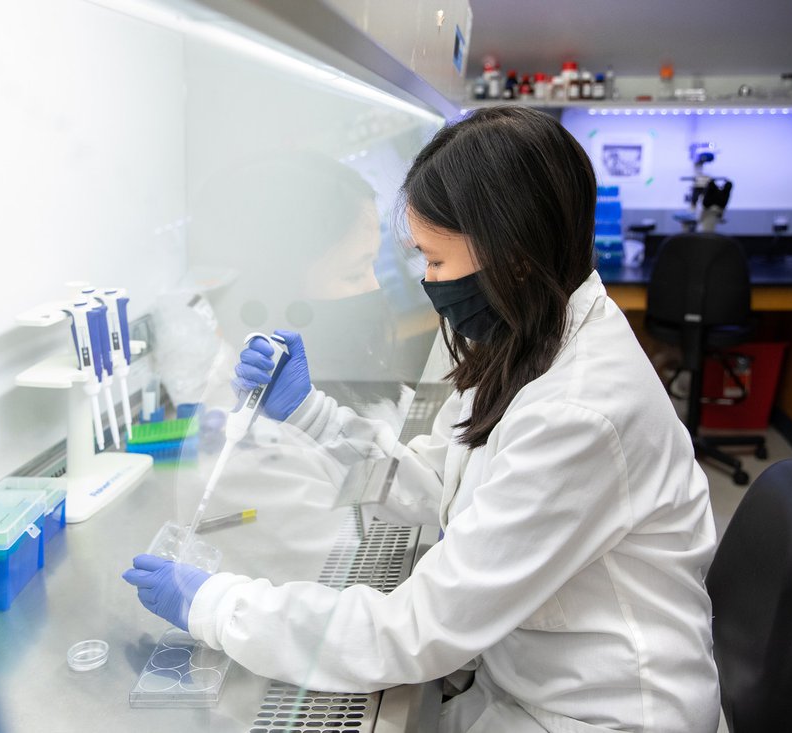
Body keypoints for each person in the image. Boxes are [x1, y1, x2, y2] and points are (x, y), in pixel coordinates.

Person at [123, 106, 720, 732]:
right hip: (529, 679)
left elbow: (418, 631)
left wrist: (217, 606)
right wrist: (315, 417)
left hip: (601, 713)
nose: (428, 283)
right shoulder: (536, 331)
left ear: (512, 255)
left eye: (436, 261)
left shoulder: (579, 410)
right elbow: (444, 487)